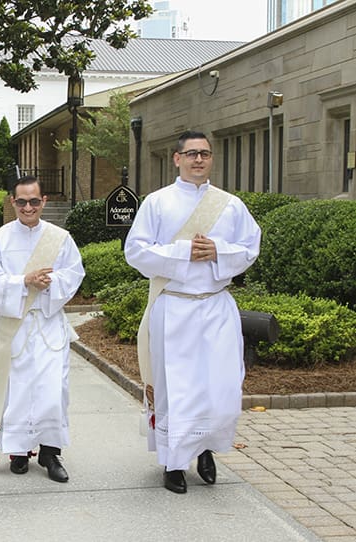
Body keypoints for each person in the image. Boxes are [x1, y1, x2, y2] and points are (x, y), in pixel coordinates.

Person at [124, 130, 261, 494]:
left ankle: (206, 451)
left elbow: (250, 248)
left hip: (216, 305)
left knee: (219, 386)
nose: (198, 160)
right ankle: (173, 462)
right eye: (191, 154)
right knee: (176, 388)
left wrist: (218, 251)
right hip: (175, 306)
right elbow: (135, 251)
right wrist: (184, 252)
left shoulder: (230, 205)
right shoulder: (157, 202)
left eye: (205, 154)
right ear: (177, 158)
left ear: (211, 159)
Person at [0, 176, 85, 482]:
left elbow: (74, 273)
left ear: (44, 202)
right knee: (19, 392)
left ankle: (51, 453)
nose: (28, 207)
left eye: (34, 201)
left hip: (49, 324)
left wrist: (49, 284)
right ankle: (20, 452)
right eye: (22, 202)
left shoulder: (60, 238)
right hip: (15, 327)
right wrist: (24, 281)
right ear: (13, 202)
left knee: (53, 392)